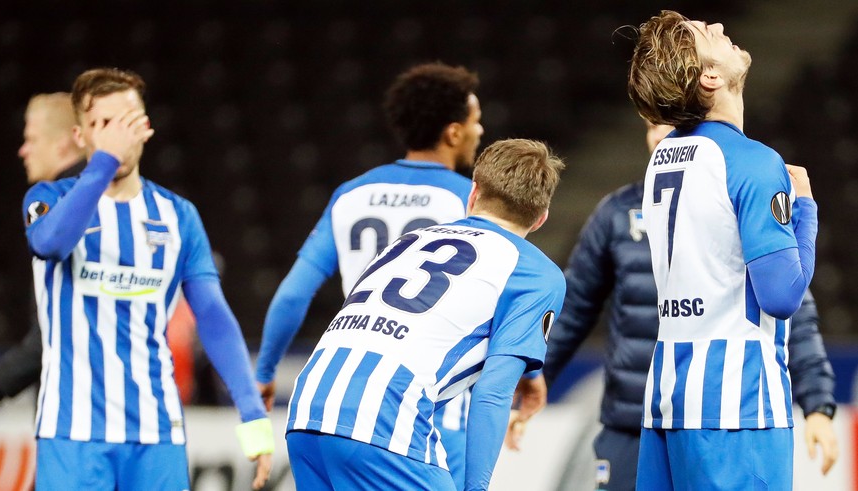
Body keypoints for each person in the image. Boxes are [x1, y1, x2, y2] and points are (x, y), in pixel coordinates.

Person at [540, 120, 838, 491]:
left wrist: (818, 405)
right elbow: (575, 307)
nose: (663, 134)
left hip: (712, 413)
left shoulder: (737, 199)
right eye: (653, 125)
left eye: (675, 124)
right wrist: (535, 376)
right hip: (633, 419)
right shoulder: (617, 213)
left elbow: (793, 310)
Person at [22, 68, 273, 490]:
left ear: (146, 129)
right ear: (80, 137)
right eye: (102, 124)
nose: (116, 136)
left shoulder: (179, 216)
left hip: (157, 434)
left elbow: (213, 317)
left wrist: (253, 418)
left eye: (126, 122)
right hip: (73, 434)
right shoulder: (50, 199)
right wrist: (103, 163)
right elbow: (50, 244)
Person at [285, 138, 565, 491]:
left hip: (309, 404)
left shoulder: (410, 240)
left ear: (473, 193)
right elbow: (493, 391)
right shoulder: (536, 271)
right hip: (382, 416)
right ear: (541, 219)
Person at [255, 61, 483, 487]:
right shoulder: (468, 202)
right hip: (431, 405)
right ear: (454, 132)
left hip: (344, 397)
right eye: (476, 121)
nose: (480, 130)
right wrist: (529, 374)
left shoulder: (351, 193)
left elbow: (291, 294)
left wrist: (266, 372)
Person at [626, 11, 819, 489]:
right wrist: (806, 212)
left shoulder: (662, 157)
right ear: (710, 78)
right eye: (704, 34)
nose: (716, 26)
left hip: (668, 399)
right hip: (738, 407)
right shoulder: (752, 161)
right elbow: (782, 295)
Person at [0, 93, 87, 415]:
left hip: (73, 411)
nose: (23, 150)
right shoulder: (106, 197)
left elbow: (59, 325)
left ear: (63, 143)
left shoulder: (57, 206)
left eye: (31, 139)